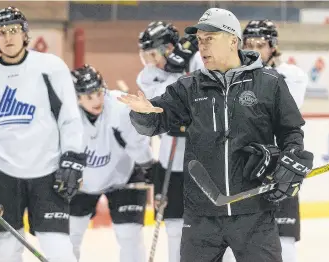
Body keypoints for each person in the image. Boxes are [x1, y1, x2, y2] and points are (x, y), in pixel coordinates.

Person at [118, 8, 314, 262]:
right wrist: (143, 114)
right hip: (201, 217)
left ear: (233, 40)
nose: (202, 46)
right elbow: (157, 121)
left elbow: (290, 131)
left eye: (209, 39)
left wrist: (292, 156)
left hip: (254, 213)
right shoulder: (189, 87)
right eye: (199, 40)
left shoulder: (270, 82)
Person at [0, 6, 86, 262]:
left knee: (58, 248)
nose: (8, 37)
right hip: (2, 173)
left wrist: (73, 157)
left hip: (48, 172)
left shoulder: (51, 67)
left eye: (14, 30)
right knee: (7, 249)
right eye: (1, 32)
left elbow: (69, 117)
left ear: (25, 33)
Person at [223, 19, 309, 262]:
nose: (253, 49)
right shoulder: (228, 77)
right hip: (243, 171)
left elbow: (279, 113)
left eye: (259, 44)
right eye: (248, 43)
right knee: (234, 243)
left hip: (282, 169)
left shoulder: (293, 75)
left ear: (273, 47)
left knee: (284, 241)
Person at [68, 65, 154, 262]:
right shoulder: (66, 116)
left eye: (98, 93)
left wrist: (147, 164)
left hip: (124, 176)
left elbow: (137, 143)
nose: (96, 100)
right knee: (69, 236)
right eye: (89, 96)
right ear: (77, 98)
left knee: (129, 235)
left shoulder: (120, 106)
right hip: (82, 182)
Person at [137, 20, 204, 262]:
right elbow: (160, 103)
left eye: (153, 53)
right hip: (171, 162)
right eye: (146, 55)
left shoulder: (198, 60)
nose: (151, 61)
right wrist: (177, 71)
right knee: (174, 227)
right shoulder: (148, 76)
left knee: (214, 228)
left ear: (169, 48)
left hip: (205, 162)